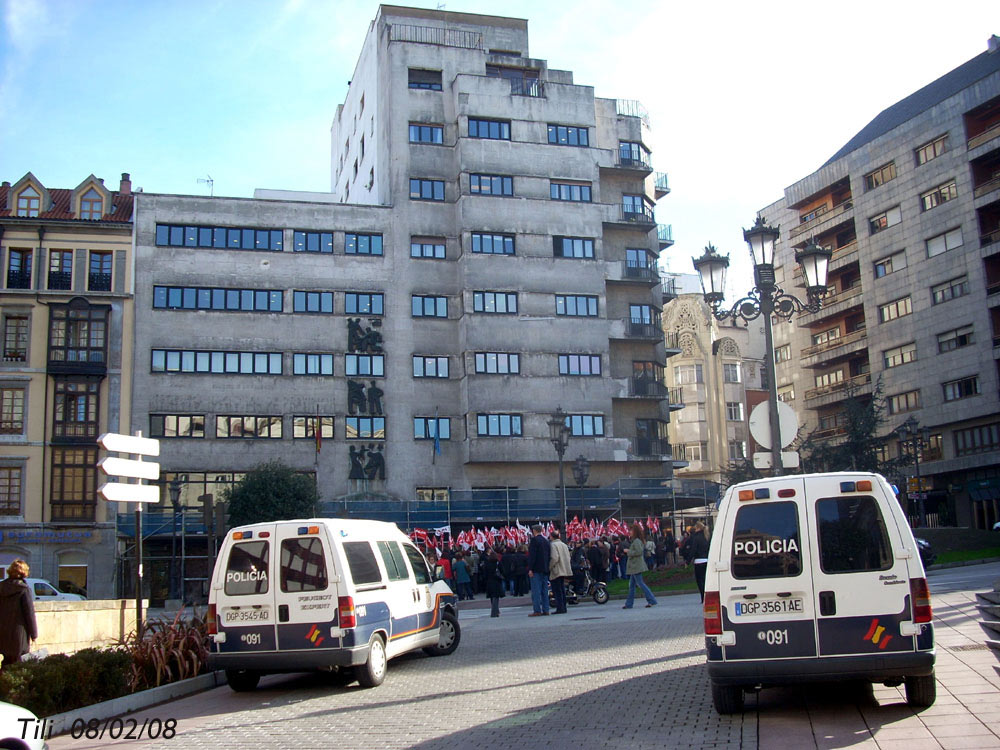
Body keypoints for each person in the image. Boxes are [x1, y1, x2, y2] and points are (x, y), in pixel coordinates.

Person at [0, 559, 38, 671]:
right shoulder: (23, 589)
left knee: (6, 661)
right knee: (19, 664)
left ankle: (4, 683)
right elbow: (29, 613)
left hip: (3, 632)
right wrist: (34, 634)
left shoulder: (1, 587)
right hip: (19, 633)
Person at [622, 523, 657, 609]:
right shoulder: (636, 540)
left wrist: (628, 551)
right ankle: (629, 604)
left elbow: (639, 552)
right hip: (635, 566)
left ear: (635, 532)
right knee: (632, 586)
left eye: (631, 530)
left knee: (640, 584)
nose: (629, 532)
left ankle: (651, 600)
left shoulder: (636, 541)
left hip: (636, 566)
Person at [527, 524, 551, 616]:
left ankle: (537, 610)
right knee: (544, 591)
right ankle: (546, 609)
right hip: (545, 569)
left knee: (536, 591)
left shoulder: (534, 541)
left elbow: (532, 556)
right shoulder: (546, 541)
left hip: (536, 569)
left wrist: (530, 569)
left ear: (534, 531)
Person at [548, 530, 572, 614]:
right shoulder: (564, 545)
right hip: (564, 568)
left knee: (557, 590)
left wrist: (549, 567)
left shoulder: (553, 545)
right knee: (562, 589)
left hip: (557, 569)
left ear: (551, 537)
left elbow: (554, 558)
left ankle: (560, 608)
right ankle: (563, 607)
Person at [690, 521, 711, 603]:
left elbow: (693, 550)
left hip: (698, 561)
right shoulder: (707, 536)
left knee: (700, 581)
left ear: (698, 528)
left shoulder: (696, 538)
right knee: (705, 580)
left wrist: (688, 561)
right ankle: (707, 596)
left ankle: (703, 597)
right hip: (706, 560)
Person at [483, 547, 505, 617]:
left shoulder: (487, 564)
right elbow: (502, 571)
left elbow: (485, 573)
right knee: (496, 597)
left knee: (492, 597)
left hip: (489, 581)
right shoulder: (497, 563)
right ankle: (494, 612)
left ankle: (496, 610)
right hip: (496, 580)